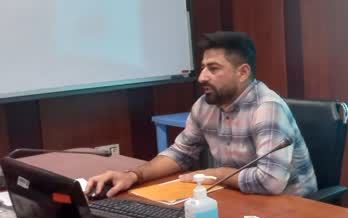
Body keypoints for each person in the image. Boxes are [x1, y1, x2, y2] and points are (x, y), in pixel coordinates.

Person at [86, 31, 317, 198]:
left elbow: (270, 182)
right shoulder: (205, 106)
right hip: (237, 196)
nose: (202, 77)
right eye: (203, 67)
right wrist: (133, 176)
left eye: (213, 69)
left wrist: (216, 174)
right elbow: (180, 154)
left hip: (294, 209)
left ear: (242, 72)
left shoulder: (267, 108)